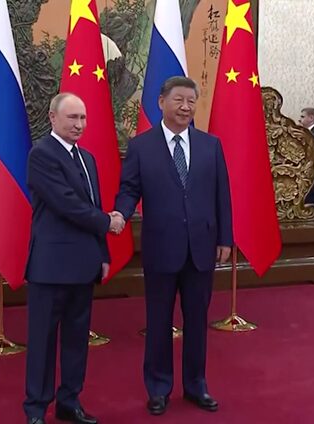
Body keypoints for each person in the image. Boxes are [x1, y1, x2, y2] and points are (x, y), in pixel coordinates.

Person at [112, 76, 232, 415]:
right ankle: (158, 388)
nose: (185, 107)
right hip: (161, 247)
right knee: (159, 322)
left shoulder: (210, 145)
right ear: (161, 102)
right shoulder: (141, 146)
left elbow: (222, 194)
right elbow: (129, 189)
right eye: (179, 100)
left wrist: (225, 238)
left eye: (191, 101)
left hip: (201, 248)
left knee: (197, 321)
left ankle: (196, 385)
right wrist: (120, 213)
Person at [23, 93, 123, 424]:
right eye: (72, 118)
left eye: (83, 118)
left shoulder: (88, 158)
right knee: (42, 341)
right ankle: (36, 409)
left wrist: (103, 253)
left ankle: (70, 401)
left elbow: (93, 205)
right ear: (53, 118)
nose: (79, 124)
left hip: (84, 265)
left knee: (77, 340)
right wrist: (107, 222)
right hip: (50, 268)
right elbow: (66, 203)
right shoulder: (41, 154)